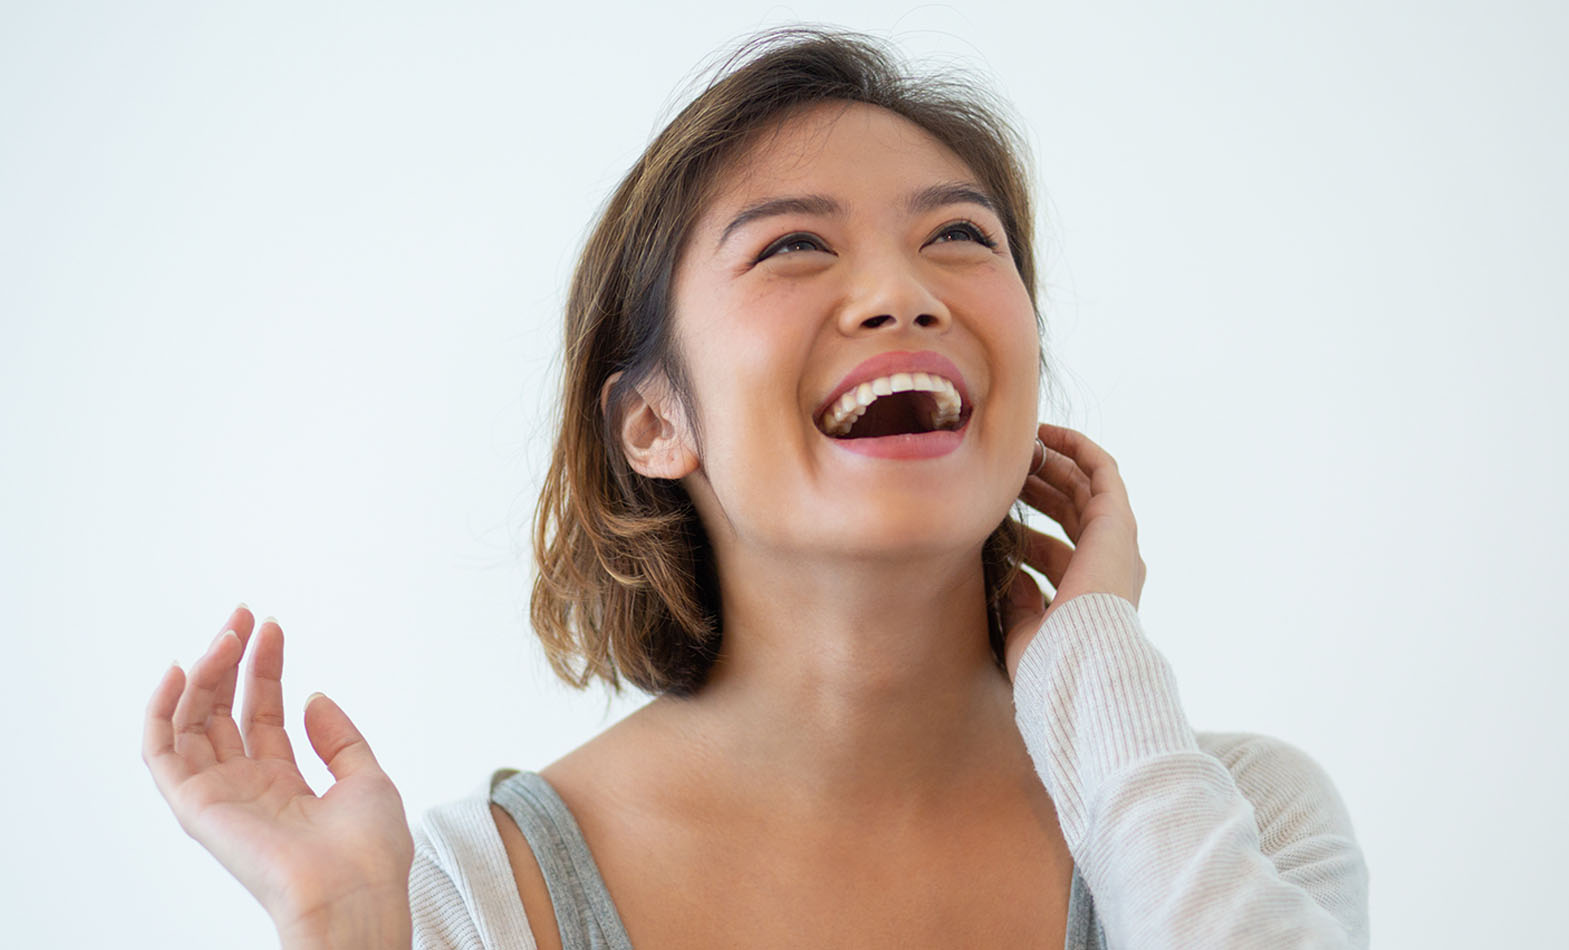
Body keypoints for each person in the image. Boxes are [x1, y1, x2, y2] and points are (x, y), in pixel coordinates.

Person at [141, 26, 1370, 950]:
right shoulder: (479, 887)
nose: (904, 293)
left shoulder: (1242, 820)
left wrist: (1096, 664)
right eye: (794, 245)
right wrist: (345, 930)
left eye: (959, 236)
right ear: (655, 418)